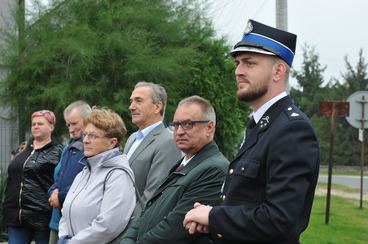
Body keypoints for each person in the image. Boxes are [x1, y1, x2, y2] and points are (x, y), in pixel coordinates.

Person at [183, 19, 320, 244]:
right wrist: (212, 219)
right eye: (237, 63)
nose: (238, 71)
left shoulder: (292, 130)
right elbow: (246, 200)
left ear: (278, 71)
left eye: (249, 63)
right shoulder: (262, 124)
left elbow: (279, 220)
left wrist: (213, 216)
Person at [121, 95, 229, 244]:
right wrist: (127, 240)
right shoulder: (183, 163)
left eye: (188, 124)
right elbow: (148, 212)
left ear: (209, 128)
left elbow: (174, 229)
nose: (179, 132)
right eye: (176, 124)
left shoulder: (215, 169)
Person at [58, 106, 136, 244]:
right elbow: (66, 212)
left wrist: (72, 243)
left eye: (92, 136)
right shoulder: (84, 171)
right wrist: (63, 238)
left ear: (112, 142)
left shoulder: (118, 175)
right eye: (85, 135)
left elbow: (108, 226)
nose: (85, 141)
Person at [2, 110, 63, 244]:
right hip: (16, 217)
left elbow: (61, 181)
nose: (35, 126)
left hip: (42, 217)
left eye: (40, 123)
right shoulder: (23, 149)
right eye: (33, 124)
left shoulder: (59, 151)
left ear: (51, 127)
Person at [123, 81, 182, 212]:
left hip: (133, 227)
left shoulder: (168, 142)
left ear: (157, 107)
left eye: (138, 101)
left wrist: (127, 230)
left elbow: (152, 197)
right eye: (131, 101)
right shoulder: (132, 138)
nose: (131, 107)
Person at [48, 101, 92, 244]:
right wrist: (53, 191)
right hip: (58, 219)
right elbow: (58, 177)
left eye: (74, 124)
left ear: (88, 120)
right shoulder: (68, 148)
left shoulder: (93, 148)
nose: (71, 129)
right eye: (68, 125)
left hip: (78, 222)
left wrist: (60, 197)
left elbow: (89, 183)